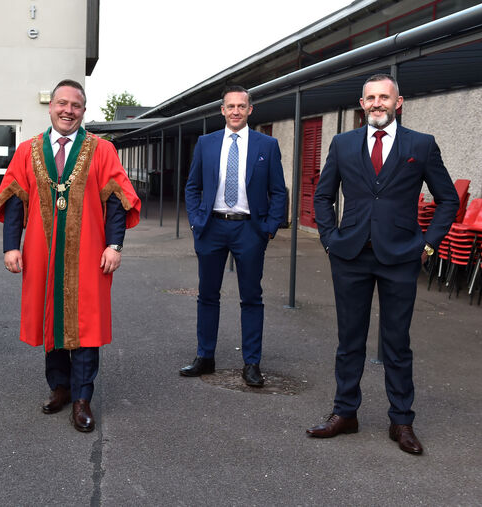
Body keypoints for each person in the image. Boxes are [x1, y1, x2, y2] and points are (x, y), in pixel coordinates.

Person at [308, 74, 459, 454]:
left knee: (397, 343)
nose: (377, 103)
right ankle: (345, 413)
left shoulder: (421, 145)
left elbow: (448, 200)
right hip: (350, 256)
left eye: (384, 97)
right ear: (362, 104)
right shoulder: (342, 144)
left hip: (401, 257)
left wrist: (427, 246)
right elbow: (323, 196)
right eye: (371, 98)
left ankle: (401, 421)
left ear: (398, 102)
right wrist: (329, 239)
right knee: (349, 340)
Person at [0, 79, 140, 432]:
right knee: (51, 317)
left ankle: (82, 398)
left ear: (83, 110)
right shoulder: (27, 150)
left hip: (89, 253)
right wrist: (11, 245)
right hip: (41, 254)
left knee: (86, 322)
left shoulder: (102, 150)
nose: (68, 110)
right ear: (51, 107)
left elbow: (116, 200)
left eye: (75, 105)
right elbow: (14, 200)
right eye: (62, 103)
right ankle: (59, 387)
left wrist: (114, 245)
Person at [181, 85, 287, 387]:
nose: (236, 111)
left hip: (249, 230)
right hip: (212, 228)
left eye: (242, 106)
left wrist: (269, 228)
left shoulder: (267, 145)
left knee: (251, 297)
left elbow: (278, 191)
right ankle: (205, 357)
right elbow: (192, 186)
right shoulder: (206, 143)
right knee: (207, 295)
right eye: (231, 106)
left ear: (250, 109)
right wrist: (196, 222)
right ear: (222, 110)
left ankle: (252, 363)